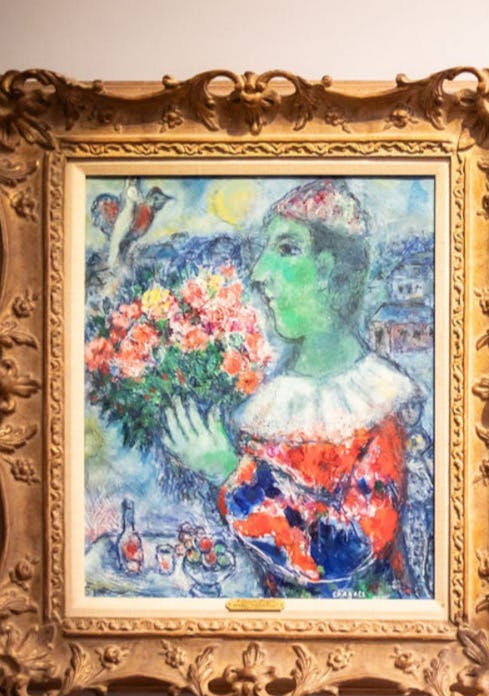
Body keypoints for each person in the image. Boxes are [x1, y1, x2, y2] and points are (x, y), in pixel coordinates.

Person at [163, 178, 419, 597]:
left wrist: (230, 473)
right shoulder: (265, 406)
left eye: (286, 249)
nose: (260, 273)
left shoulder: (379, 406)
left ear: (329, 270)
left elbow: (344, 554)